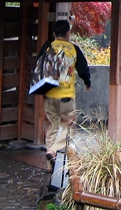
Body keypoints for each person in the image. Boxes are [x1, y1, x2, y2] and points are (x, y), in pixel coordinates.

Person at [38, 19, 90, 166]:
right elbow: (83, 69)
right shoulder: (73, 49)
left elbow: (38, 66)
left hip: (49, 93)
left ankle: (50, 166)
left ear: (54, 33)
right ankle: (54, 151)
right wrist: (87, 82)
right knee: (68, 125)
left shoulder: (47, 47)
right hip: (65, 94)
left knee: (53, 126)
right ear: (68, 33)